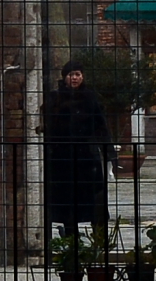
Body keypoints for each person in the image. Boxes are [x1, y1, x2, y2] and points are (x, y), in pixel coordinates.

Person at [43, 60, 116, 239]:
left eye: (77, 74)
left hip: (87, 157)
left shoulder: (91, 97)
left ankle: (100, 240)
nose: (74, 78)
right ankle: (70, 239)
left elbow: (101, 125)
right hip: (63, 157)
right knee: (67, 200)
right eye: (70, 75)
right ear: (64, 77)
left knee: (96, 199)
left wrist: (109, 152)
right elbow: (50, 126)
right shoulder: (55, 98)